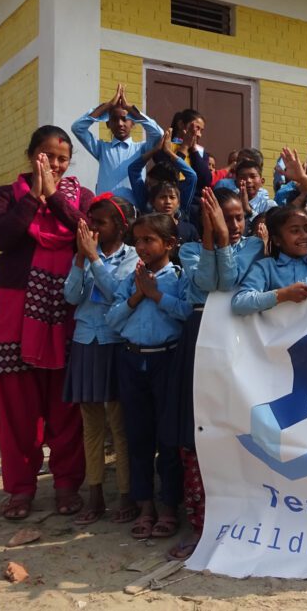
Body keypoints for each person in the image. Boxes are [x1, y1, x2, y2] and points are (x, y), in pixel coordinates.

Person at [0, 125, 94, 520]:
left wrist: (54, 198)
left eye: (63, 158)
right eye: (48, 156)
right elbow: (0, 236)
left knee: (64, 403)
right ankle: (20, 489)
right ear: (32, 155)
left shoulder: (79, 196)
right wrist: (34, 197)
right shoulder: (8, 195)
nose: (57, 164)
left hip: (62, 309)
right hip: (15, 309)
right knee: (16, 404)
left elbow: (88, 229)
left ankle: (66, 485)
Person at [166, 187, 261, 559]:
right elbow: (209, 284)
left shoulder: (253, 246)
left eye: (238, 217)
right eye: (224, 217)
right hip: (197, 340)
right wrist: (212, 238)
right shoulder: (190, 250)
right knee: (197, 431)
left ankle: (240, 522)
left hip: (238, 341)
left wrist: (223, 239)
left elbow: (231, 280)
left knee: (235, 428)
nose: (233, 225)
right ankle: (202, 524)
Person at [106, 213, 193, 540]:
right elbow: (113, 320)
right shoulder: (131, 280)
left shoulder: (180, 278)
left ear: (169, 244)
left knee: (168, 438)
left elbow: (187, 313)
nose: (140, 246)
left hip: (167, 363)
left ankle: (169, 507)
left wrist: (156, 295)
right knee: (138, 437)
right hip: (131, 361)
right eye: (137, 240)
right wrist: (138, 295)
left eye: (148, 240)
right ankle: (145, 506)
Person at [62, 195, 138, 525]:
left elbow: (118, 293)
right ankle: (94, 495)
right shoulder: (82, 256)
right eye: (90, 223)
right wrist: (80, 260)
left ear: (120, 227)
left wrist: (94, 259)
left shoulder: (132, 256)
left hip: (114, 343)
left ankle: (125, 495)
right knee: (91, 425)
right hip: (85, 343)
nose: (93, 229)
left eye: (101, 223)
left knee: (119, 426)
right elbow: (71, 296)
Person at [231, 147, 307, 315]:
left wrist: (305, 180)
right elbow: (240, 303)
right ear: (276, 239)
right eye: (295, 230)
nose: (304, 235)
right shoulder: (265, 268)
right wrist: (282, 295)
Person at [72, 84, 162, 200]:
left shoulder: (142, 149)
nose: (120, 124)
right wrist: (107, 106)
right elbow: (77, 127)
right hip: (105, 210)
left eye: (125, 119)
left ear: (133, 122)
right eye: (114, 119)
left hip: (133, 211)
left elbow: (158, 133)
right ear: (108, 124)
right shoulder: (101, 148)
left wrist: (130, 108)